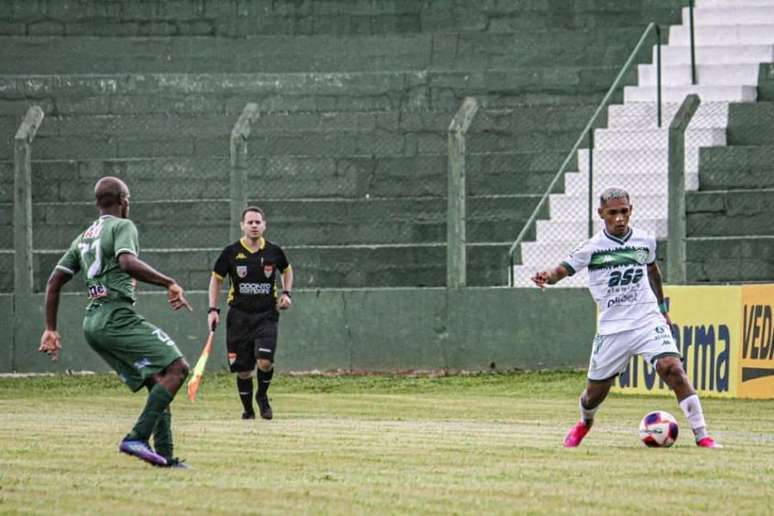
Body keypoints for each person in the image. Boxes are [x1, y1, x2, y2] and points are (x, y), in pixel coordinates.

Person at [531, 187, 721, 448]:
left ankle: (703, 436)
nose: (619, 218)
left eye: (623, 212)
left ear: (631, 211)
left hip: (647, 320)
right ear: (601, 214)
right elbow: (562, 269)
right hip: (613, 328)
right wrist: (547, 277)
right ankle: (585, 422)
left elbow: (653, 271)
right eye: (612, 213)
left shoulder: (644, 241)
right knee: (593, 395)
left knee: (672, 368)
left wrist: (662, 310)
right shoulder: (592, 248)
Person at [39, 176, 194, 467]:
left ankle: (165, 457)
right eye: (129, 198)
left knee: (158, 381)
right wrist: (169, 282)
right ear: (123, 200)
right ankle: (136, 437)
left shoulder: (83, 236)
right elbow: (127, 262)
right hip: (116, 316)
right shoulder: (123, 226)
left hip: (93, 322)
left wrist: (50, 328)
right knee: (177, 368)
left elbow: (54, 281)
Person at [208, 206, 293, 420]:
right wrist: (212, 309)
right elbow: (216, 279)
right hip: (239, 317)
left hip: (266, 315)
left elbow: (287, 270)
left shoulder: (274, 251)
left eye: (257, 222)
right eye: (250, 222)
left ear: (264, 225)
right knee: (243, 370)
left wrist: (287, 293)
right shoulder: (231, 252)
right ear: (242, 226)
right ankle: (248, 409)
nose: (254, 226)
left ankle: (262, 397)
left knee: (265, 361)